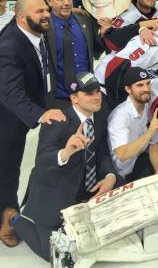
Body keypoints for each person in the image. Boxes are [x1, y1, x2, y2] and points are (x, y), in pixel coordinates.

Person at [9, 72, 116, 261]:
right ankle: (14, 219)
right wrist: (66, 152)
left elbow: (102, 154)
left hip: (82, 192)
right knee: (55, 255)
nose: (96, 96)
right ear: (74, 99)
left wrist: (110, 177)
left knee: (98, 242)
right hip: (52, 194)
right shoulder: (57, 121)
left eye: (98, 91)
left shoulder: (99, 119)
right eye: (89, 93)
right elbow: (42, 161)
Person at [0, 0, 66, 248]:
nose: (46, 14)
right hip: (6, 120)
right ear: (20, 17)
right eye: (39, 11)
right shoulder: (10, 46)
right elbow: (9, 92)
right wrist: (39, 113)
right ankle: (6, 219)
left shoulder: (36, 33)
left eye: (46, 10)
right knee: (6, 171)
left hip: (28, 110)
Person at [44, 0, 105, 108]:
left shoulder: (84, 19)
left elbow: (97, 50)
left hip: (86, 93)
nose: (66, 3)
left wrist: (104, 34)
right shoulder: (43, 26)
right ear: (49, 1)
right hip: (58, 97)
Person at [107, 67, 158, 182]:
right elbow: (122, 154)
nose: (146, 88)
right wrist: (149, 133)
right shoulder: (120, 115)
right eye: (140, 85)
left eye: (148, 83)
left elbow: (153, 145)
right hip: (116, 174)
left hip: (136, 164)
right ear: (128, 89)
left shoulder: (149, 107)